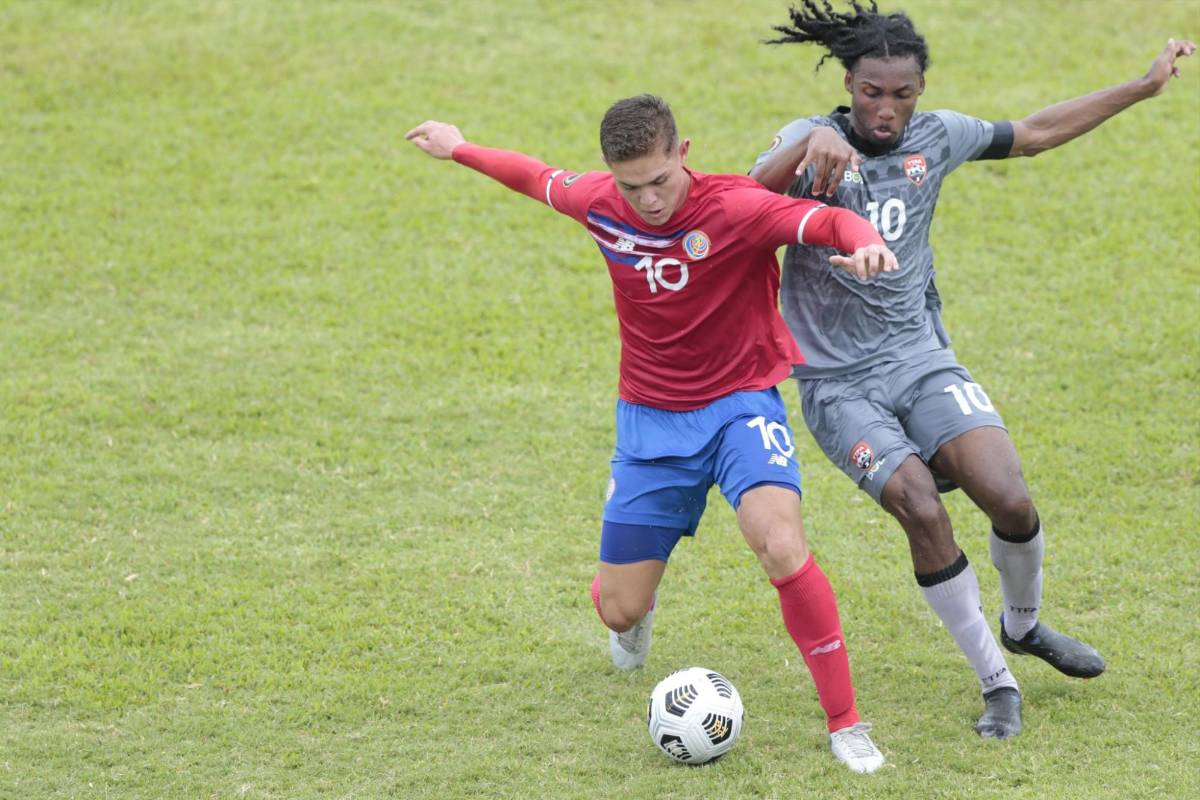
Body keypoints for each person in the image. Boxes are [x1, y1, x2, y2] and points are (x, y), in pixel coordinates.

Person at [407, 94, 900, 772]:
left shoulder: (735, 208)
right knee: (617, 610)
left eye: (660, 181)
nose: (649, 201)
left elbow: (827, 220)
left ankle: (846, 723)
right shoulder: (600, 202)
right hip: (650, 421)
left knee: (780, 545)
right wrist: (460, 147)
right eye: (632, 186)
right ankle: (636, 609)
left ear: (684, 154)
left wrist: (867, 243)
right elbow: (533, 176)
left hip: (740, 406)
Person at [749, 0, 1196, 739]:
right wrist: (805, 148)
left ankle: (1023, 626)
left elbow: (1037, 132)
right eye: (870, 93)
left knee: (1010, 500)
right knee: (921, 504)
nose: (886, 109)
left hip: (920, 359)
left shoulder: (938, 136)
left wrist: (1142, 86)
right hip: (837, 384)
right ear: (848, 83)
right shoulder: (810, 142)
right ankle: (998, 681)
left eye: (902, 93)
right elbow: (737, 203)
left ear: (920, 90)